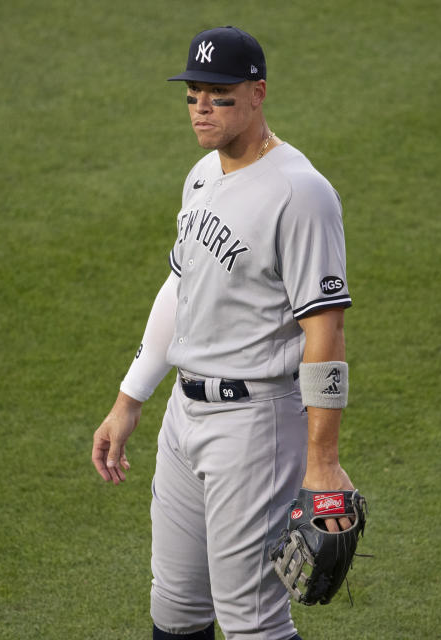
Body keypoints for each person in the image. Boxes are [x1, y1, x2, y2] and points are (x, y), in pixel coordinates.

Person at [92, 26, 356, 640]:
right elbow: (181, 288)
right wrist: (130, 399)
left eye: (219, 94)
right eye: (192, 95)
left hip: (255, 428)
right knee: (175, 613)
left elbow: (326, 330)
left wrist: (323, 460)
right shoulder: (202, 176)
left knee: (252, 624)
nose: (201, 109)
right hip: (184, 419)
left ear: (258, 93)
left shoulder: (301, 194)